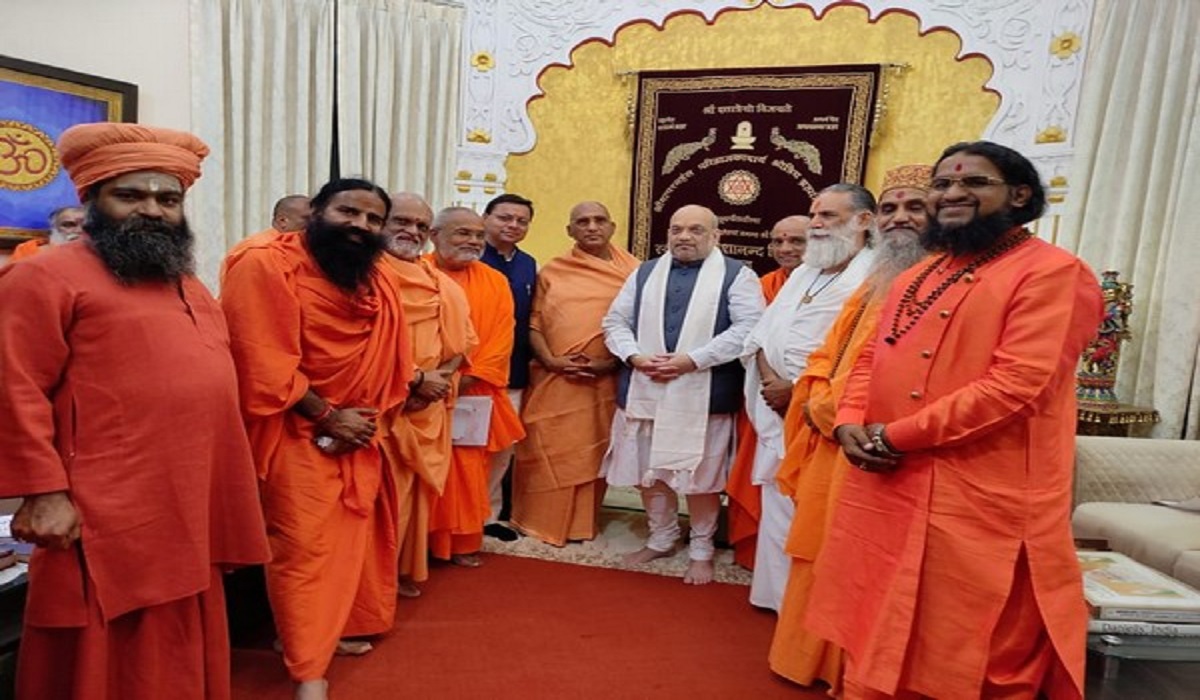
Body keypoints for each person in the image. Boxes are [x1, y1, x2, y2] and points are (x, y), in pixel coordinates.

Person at [806, 142, 1103, 699]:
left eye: (975, 183)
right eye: (941, 184)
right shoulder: (921, 273)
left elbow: (1014, 387)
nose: (953, 193)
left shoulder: (1054, 274)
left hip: (982, 496)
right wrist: (849, 418)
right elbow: (874, 354)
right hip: (893, 484)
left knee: (974, 646)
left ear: (1019, 195)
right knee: (878, 619)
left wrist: (894, 435)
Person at [0, 122, 269, 700]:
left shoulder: (187, 284)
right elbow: (13, 386)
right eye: (131, 195)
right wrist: (42, 491)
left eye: (167, 198)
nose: (152, 210)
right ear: (92, 200)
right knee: (103, 652)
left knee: (181, 636)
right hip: (103, 512)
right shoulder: (42, 274)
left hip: (189, 503)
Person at [221, 178, 413, 700]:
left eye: (374, 220)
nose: (361, 226)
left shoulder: (374, 277)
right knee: (304, 547)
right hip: (290, 425)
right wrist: (329, 416)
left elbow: (390, 354)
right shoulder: (263, 263)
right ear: (317, 211)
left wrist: (361, 419)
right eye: (348, 212)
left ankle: (329, 630)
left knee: (351, 537)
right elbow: (258, 357)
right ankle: (308, 668)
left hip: (357, 428)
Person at [768, 164, 933, 692]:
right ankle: (806, 658)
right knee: (816, 554)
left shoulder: (937, 281)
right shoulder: (881, 279)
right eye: (892, 208)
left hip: (880, 446)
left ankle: (848, 667)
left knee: (858, 563)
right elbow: (829, 350)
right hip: (829, 433)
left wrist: (833, 410)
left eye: (915, 207)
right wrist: (816, 397)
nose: (900, 218)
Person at [601, 204, 764, 585]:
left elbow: (749, 327)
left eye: (695, 230)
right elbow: (615, 321)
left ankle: (702, 549)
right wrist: (635, 356)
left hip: (703, 391)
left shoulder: (739, 276)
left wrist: (693, 360)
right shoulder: (644, 273)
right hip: (646, 388)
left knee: (699, 476)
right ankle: (662, 537)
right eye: (677, 229)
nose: (684, 237)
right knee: (649, 471)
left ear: (715, 235)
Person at [741, 186, 877, 611]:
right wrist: (770, 382)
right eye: (814, 214)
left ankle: (805, 609)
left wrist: (797, 393)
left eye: (828, 216)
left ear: (864, 221)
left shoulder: (875, 275)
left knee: (812, 510)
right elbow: (763, 333)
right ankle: (776, 597)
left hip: (821, 412)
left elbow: (858, 355)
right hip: (775, 404)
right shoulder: (806, 271)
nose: (815, 224)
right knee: (778, 502)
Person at [510, 201, 640, 545]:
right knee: (547, 446)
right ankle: (536, 519)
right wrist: (551, 360)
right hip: (553, 377)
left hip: (605, 379)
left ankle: (582, 523)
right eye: (582, 221)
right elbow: (533, 322)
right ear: (570, 230)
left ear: (613, 226)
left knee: (590, 451)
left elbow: (642, 327)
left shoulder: (636, 272)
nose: (592, 227)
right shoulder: (553, 271)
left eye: (600, 220)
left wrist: (611, 363)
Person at [378, 193, 477, 597]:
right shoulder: (366, 274)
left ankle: (401, 568)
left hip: (427, 404)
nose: (412, 231)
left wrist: (434, 384)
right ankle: (372, 577)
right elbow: (365, 347)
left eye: (420, 225)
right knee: (379, 499)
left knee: (413, 496)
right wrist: (413, 382)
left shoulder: (441, 283)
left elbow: (464, 344)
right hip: (382, 403)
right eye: (402, 221)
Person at [425, 207, 525, 566]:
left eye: (478, 235)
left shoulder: (494, 280)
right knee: (426, 474)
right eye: (462, 233)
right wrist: (429, 383)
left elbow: (501, 339)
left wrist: (463, 380)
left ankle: (463, 543)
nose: (472, 241)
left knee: (469, 473)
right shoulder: (415, 273)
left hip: (474, 391)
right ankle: (418, 546)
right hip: (420, 394)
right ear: (434, 235)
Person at [727, 214, 810, 569]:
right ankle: (754, 551)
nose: (784, 249)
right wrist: (769, 383)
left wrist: (795, 388)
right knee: (755, 472)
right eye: (777, 241)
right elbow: (752, 339)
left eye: (796, 241)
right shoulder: (762, 285)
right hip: (761, 398)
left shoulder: (837, 285)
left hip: (809, 400)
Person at [479, 193, 537, 541]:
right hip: (472, 375)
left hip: (513, 373)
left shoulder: (528, 263)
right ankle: (459, 514)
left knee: (503, 449)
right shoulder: (469, 257)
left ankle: (488, 515)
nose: (513, 225)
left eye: (521, 221)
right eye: (504, 218)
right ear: (485, 218)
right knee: (469, 449)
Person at [218, 194, 311, 285]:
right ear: (282, 221)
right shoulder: (259, 251)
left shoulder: (304, 246)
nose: (316, 223)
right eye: (308, 218)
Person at [8, 205, 85, 261]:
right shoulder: (29, 251)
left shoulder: (95, 254)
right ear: (52, 231)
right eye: (69, 225)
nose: (79, 230)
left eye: (86, 225)